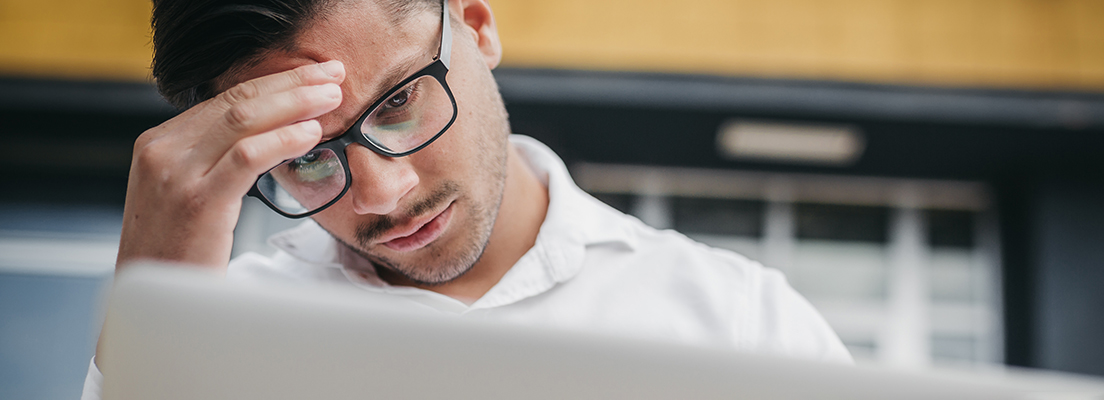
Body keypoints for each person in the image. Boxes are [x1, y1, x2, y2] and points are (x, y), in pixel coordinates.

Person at [83, 0, 851, 397]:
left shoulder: (736, 319)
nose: (384, 195)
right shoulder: (223, 340)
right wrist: (155, 313)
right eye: (311, 158)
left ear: (476, 26)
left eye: (397, 105)